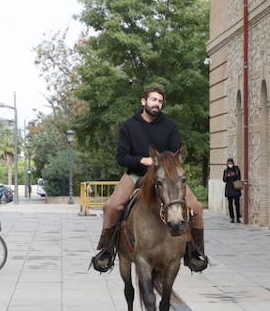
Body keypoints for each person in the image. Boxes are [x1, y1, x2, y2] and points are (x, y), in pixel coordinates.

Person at [91, 85, 208, 273]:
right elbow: (121, 157)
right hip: (136, 173)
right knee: (112, 207)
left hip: (166, 176)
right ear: (144, 101)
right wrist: (141, 160)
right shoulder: (129, 126)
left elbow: (176, 152)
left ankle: (193, 252)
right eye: (153, 100)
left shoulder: (169, 125)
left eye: (160, 101)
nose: (157, 104)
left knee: (196, 207)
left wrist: (164, 163)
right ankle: (107, 250)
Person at [222, 158, 242, 223]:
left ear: (233, 163)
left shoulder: (236, 169)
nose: (230, 164)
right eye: (228, 163)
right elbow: (224, 180)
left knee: (237, 204)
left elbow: (239, 177)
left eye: (231, 163)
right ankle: (232, 218)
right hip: (229, 189)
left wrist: (234, 175)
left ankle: (238, 217)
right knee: (230, 204)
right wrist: (228, 176)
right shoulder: (226, 170)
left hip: (236, 188)